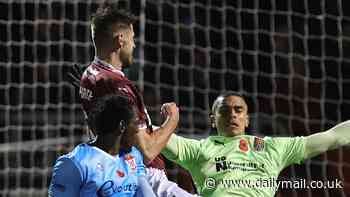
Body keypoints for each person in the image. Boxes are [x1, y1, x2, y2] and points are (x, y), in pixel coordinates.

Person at [68, 3, 197, 196]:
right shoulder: (118, 85)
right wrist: (173, 120)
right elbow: (146, 152)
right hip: (142, 176)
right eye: (132, 38)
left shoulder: (90, 75)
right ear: (120, 40)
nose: (134, 45)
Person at [160, 91, 350, 197]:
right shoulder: (198, 149)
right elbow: (153, 136)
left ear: (247, 119)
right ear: (212, 120)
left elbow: (332, 137)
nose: (232, 114)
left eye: (238, 110)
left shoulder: (272, 147)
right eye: (225, 110)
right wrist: (166, 120)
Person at [49, 94, 165, 196]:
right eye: (136, 123)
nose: (138, 130)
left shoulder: (133, 156)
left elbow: (145, 192)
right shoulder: (75, 164)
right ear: (122, 126)